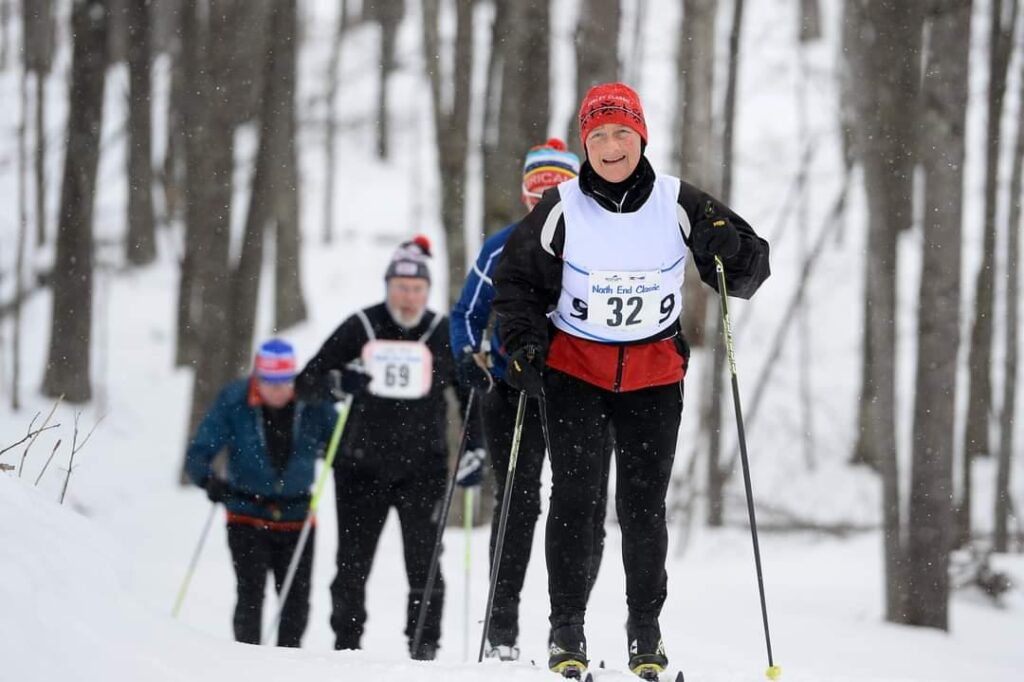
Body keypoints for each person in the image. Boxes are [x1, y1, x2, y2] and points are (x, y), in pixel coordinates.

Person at [493, 83, 770, 677]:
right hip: (576, 372)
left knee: (643, 506)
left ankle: (645, 630)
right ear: (585, 143)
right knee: (574, 500)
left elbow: (746, 273)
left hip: (652, 376)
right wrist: (523, 343)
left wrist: (732, 249)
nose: (611, 146)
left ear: (641, 136)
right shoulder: (561, 207)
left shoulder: (678, 201)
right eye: (597, 135)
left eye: (622, 133)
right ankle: (566, 627)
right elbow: (515, 283)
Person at [450, 138, 614, 662]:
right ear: (525, 194)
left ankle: (568, 626)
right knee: (519, 502)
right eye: (536, 189)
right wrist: (464, 359)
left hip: (585, 390)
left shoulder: (598, 238)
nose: (544, 198)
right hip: (515, 388)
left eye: (556, 187)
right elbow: (465, 317)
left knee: (587, 508)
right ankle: (501, 629)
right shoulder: (501, 245)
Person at [295, 236, 466, 661]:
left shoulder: (441, 331)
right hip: (360, 468)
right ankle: (346, 647)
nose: (408, 298)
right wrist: (339, 382)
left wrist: (475, 447)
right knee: (352, 565)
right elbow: (306, 382)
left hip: (423, 469)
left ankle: (424, 648)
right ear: (387, 286)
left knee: (425, 564)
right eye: (401, 288)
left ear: (427, 291)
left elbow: (470, 395)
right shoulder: (362, 327)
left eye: (417, 289)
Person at [185, 339, 339, 648]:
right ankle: (247, 664)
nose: (279, 391)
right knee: (250, 595)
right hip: (246, 515)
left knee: (296, 604)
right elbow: (198, 453)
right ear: (258, 377)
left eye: (285, 382)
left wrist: (338, 412)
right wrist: (209, 481)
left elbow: (342, 441)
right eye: (270, 382)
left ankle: (286, 667)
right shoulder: (235, 399)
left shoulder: (312, 402)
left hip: (297, 517)